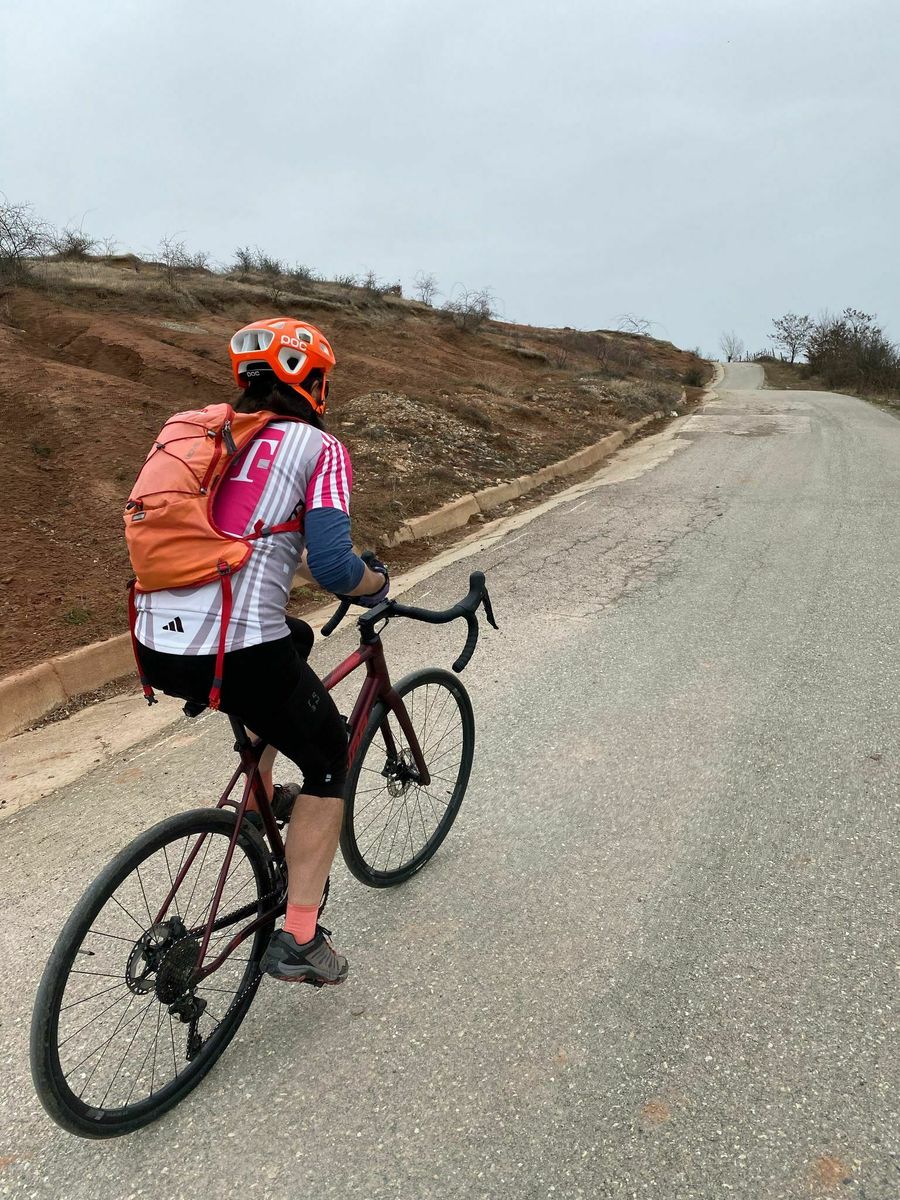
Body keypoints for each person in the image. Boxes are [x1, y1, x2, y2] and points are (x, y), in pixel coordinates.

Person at [132, 317, 388, 985]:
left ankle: (262, 792)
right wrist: (374, 583)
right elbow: (332, 567)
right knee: (331, 759)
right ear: (314, 384)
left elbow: (234, 537)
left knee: (294, 639)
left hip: (155, 643)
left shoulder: (207, 436)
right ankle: (300, 938)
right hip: (235, 652)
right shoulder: (319, 447)